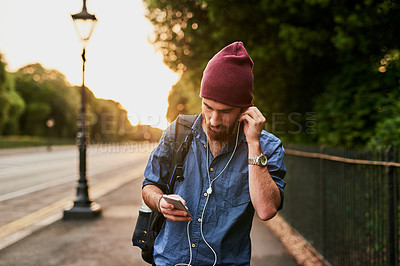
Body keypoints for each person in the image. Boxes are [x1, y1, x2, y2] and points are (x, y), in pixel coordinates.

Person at [142, 41, 286, 265]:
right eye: (208, 106)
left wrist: (253, 144)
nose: (214, 120)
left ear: (245, 110)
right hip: (170, 260)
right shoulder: (177, 132)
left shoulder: (267, 147)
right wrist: (160, 201)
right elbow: (149, 185)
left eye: (225, 111)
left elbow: (267, 210)